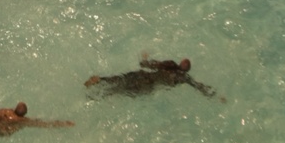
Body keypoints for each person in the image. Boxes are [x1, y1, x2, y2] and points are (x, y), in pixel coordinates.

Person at [85, 55, 215, 97]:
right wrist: (211, 94)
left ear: (181, 63)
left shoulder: (169, 65)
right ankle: (97, 96)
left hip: (144, 76)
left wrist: (145, 60)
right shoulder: (184, 77)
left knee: (121, 79)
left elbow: (150, 65)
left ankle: (100, 80)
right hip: (147, 86)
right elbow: (198, 86)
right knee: (121, 90)